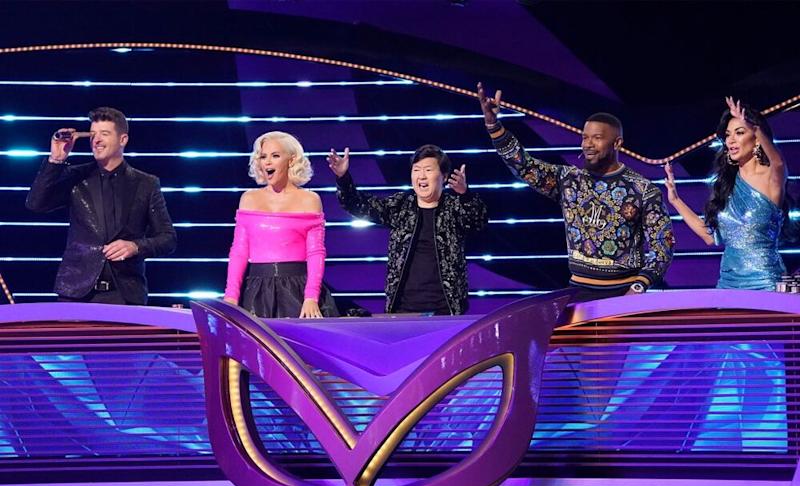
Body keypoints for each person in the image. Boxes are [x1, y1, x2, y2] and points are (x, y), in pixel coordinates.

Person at [477, 83, 674, 302]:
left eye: (597, 138)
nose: (588, 144)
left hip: (624, 296)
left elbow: (662, 245)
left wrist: (638, 287)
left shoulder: (642, 190)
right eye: (584, 137)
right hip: (577, 293)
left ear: (617, 143)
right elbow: (524, 165)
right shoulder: (569, 180)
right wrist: (493, 125)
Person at [26, 107, 177, 305]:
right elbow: (35, 204)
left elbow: (168, 239)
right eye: (93, 134)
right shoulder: (76, 177)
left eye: (104, 134)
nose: (96, 140)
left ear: (123, 139)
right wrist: (56, 160)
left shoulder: (146, 184)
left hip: (124, 294)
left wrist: (135, 246)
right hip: (76, 293)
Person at [328, 144, 488, 315]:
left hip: (446, 310)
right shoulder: (401, 206)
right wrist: (343, 178)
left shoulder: (454, 207)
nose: (422, 176)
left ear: (444, 176)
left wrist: (465, 194)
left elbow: (478, 220)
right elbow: (359, 205)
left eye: (428, 170)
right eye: (416, 170)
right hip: (403, 309)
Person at [665, 97, 787, 290]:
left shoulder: (770, 177)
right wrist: (676, 200)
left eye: (739, 133)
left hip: (766, 284)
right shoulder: (726, 185)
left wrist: (755, 127)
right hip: (728, 284)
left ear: (756, 139)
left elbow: (778, 162)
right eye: (728, 134)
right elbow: (709, 236)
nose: (731, 140)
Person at [223, 131, 338, 318]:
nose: (267, 162)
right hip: (256, 291)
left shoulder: (309, 200)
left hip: (297, 290)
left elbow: (315, 252)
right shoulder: (249, 199)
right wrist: (231, 295)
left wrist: (311, 297)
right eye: (263, 156)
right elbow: (239, 251)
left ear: (291, 161)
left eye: (275, 156)